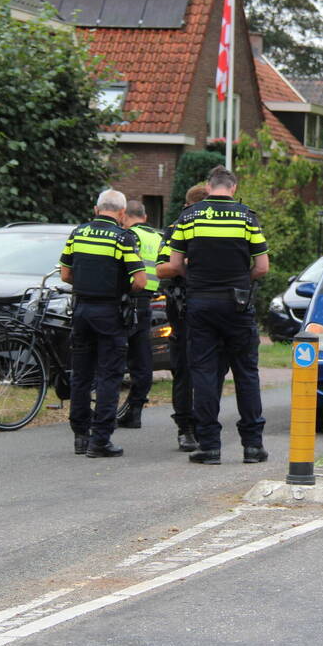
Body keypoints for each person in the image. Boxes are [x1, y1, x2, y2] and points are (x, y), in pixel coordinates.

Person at [162, 166, 269, 465]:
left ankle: (209, 446)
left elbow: (175, 264)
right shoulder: (247, 217)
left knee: (205, 374)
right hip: (238, 304)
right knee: (246, 374)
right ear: (233, 187)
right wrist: (241, 282)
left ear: (209, 187)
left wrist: (197, 280)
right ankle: (252, 446)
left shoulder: (189, 216)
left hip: (201, 304)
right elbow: (262, 267)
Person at [60, 189, 146, 458]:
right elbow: (140, 281)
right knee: (109, 375)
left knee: (82, 375)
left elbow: (65, 274)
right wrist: (121, 290)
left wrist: (88, 286)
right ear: (122, 213)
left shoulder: (78, 233)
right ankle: (100, 440)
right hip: (110, 313)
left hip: (82, 309)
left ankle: (80, 436)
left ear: (97, 209)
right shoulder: (123, 237)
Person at [157, 184, 210, 451]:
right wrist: (188, 264)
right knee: (184, 368)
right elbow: (162, 269)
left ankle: (202, 425)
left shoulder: (214, 227)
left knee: (205, 368)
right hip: (182, 305)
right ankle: (186, 427)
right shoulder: (177, 228)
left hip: (208, 304)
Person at [116, 200, 163, 430]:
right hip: (147, 304)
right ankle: (134, 412)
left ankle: (106, 411)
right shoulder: (158, 237)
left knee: (114, 357)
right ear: (144, 217)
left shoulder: (128, 236)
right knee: (142, 360)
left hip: (127, 300)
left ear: (124, 216)